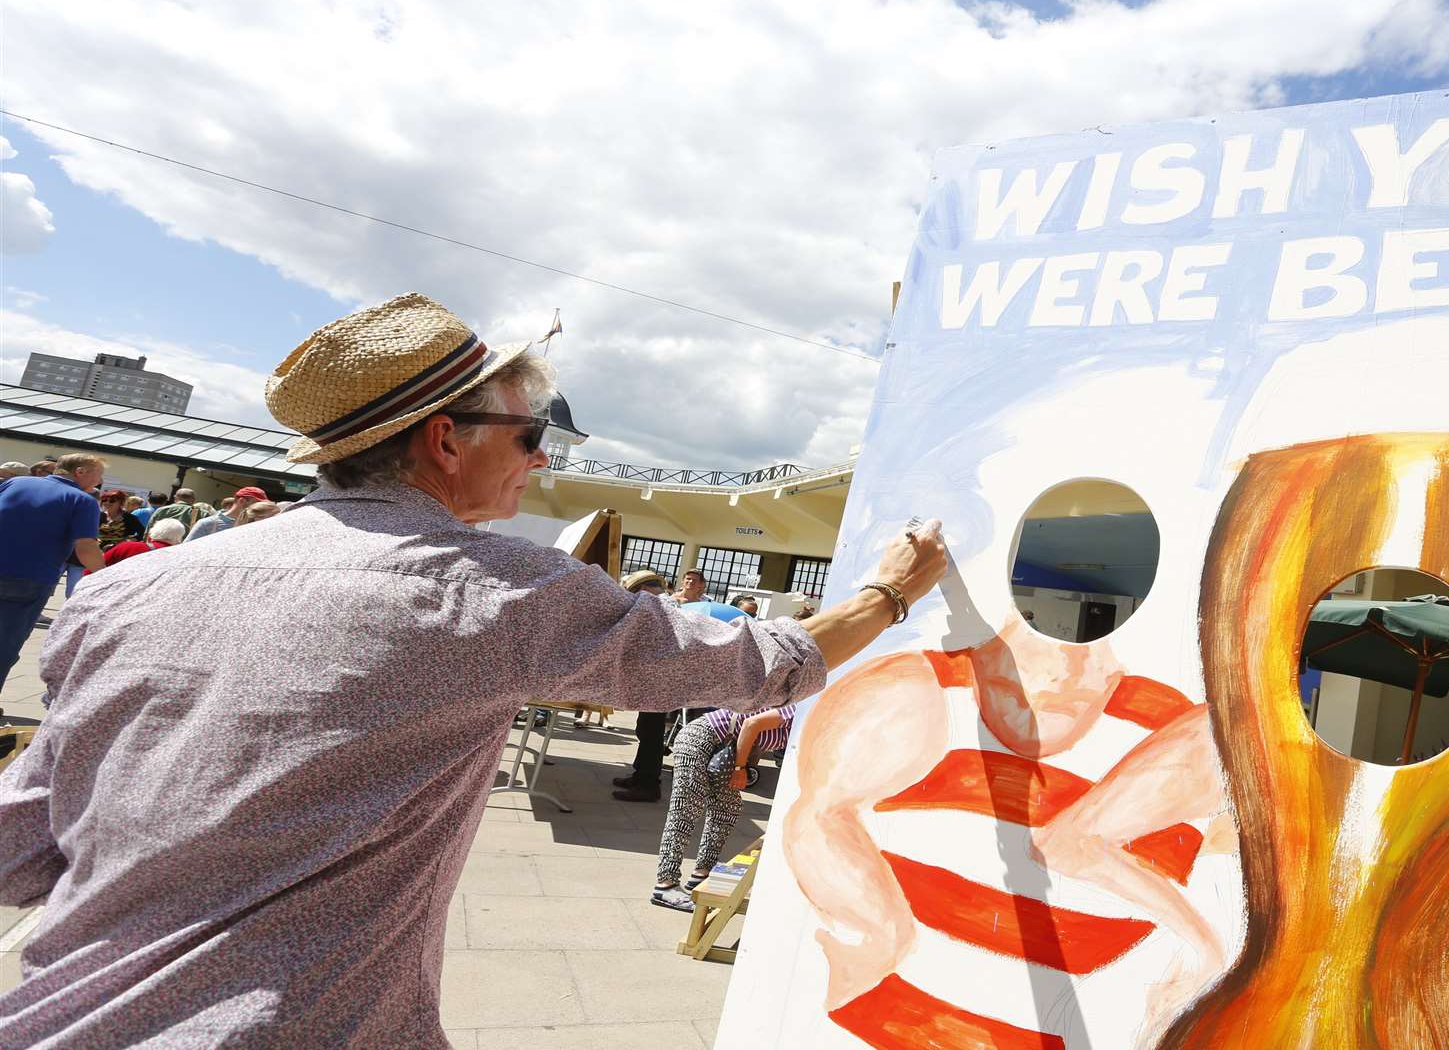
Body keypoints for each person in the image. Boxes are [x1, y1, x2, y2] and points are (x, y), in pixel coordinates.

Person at [0, 292, 947, 1047]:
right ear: (445, 439)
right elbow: (761, 663)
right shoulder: (490, 591)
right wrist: (889, 593)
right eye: (531, 435)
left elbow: (27, 844)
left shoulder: (135, 590)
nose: (540, 461)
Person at [651, 703, 797, 912]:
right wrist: (739, 768)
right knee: (686, 809)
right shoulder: (798, 708)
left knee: (728, 808)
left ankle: (702, 873)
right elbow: (751, 724)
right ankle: (665, 885)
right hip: (699, 739)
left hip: (721, 747)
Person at [0, 453, 105, 686]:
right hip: (29, 578)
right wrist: (108, 576)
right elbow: (86, 547)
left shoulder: (16, 482)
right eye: (99, 475)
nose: (99, 481)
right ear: (81, 472)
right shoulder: (83, 500)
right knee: (5, 643)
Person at [614, 569, 673, 802]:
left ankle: (649, 784)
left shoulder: (662, 607)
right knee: (646, 729)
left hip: (661, 679)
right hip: (657, 678)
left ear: (645, 590)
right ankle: (641, 775)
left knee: (652, 733)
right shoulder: (662, 604)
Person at [184, 486, 270, 542]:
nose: (260, 508)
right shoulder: (207, 524)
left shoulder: (254, 526)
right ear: (242, 501)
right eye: (256, 503)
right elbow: (185, 551)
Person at [102, 518, 186, 567]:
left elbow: (93, 569)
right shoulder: (179, 559)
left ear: (151, 533)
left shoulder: (128, 546)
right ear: (179, 538)